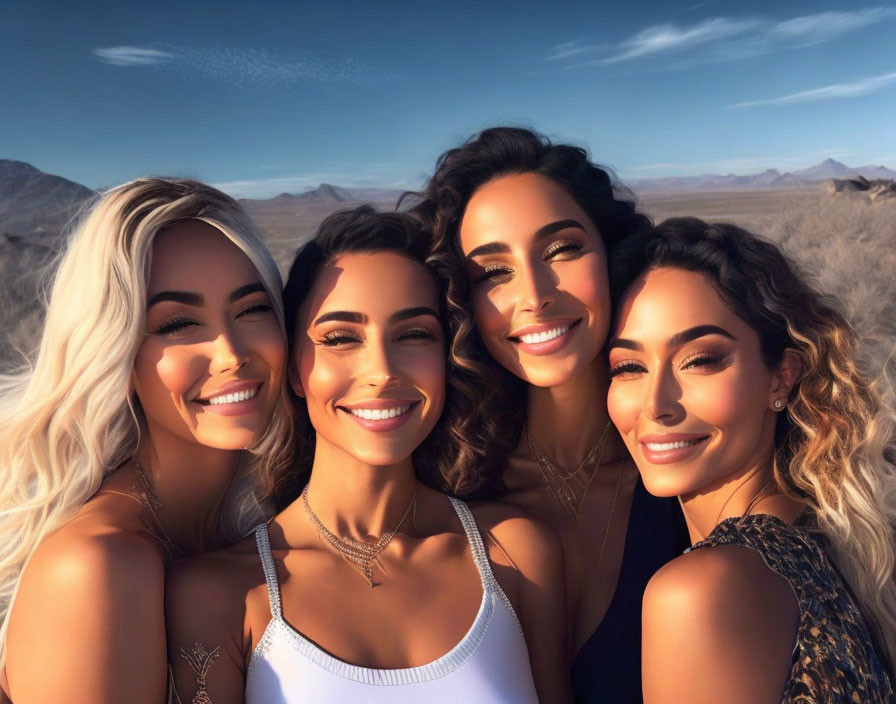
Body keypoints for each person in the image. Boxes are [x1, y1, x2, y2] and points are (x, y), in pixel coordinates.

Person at [166, 206, 570, 704]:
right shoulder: (216, 595)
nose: (382, 371)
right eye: (340, 339)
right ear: (295, 369)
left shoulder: (516, 554)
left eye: (414, 334)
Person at [411, 126, 689, 701]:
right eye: (493, 273)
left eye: (561, 250)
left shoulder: (690, 473)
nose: (534, 295)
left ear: (610, 253)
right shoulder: (440, 487)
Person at [0, 178, 293, 703]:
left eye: (251, 309)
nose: (231, 353)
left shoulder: (276, 508)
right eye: (179, 323)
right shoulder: (98, 567)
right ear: (117, 351)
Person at [607, 217, 896, 703]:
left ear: (781, 377)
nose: (656, 403)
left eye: (699, 360)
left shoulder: (703, 593)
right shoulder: (813, 533)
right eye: (629, 366)